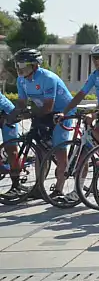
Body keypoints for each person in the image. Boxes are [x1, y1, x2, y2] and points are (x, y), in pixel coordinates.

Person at [9, 49, 74, 196]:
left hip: (62, 112)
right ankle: (39, 187)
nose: (19, 68)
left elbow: (48, 107)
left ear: (35, 66)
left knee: (59, 150)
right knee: (40, 150)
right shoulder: (21, 80)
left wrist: (27, 115)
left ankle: (59, 189)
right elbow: (21, 103)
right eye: (17, 64)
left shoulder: (48, 78)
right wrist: (12, 115)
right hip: (44, 111)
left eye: (22, 65)